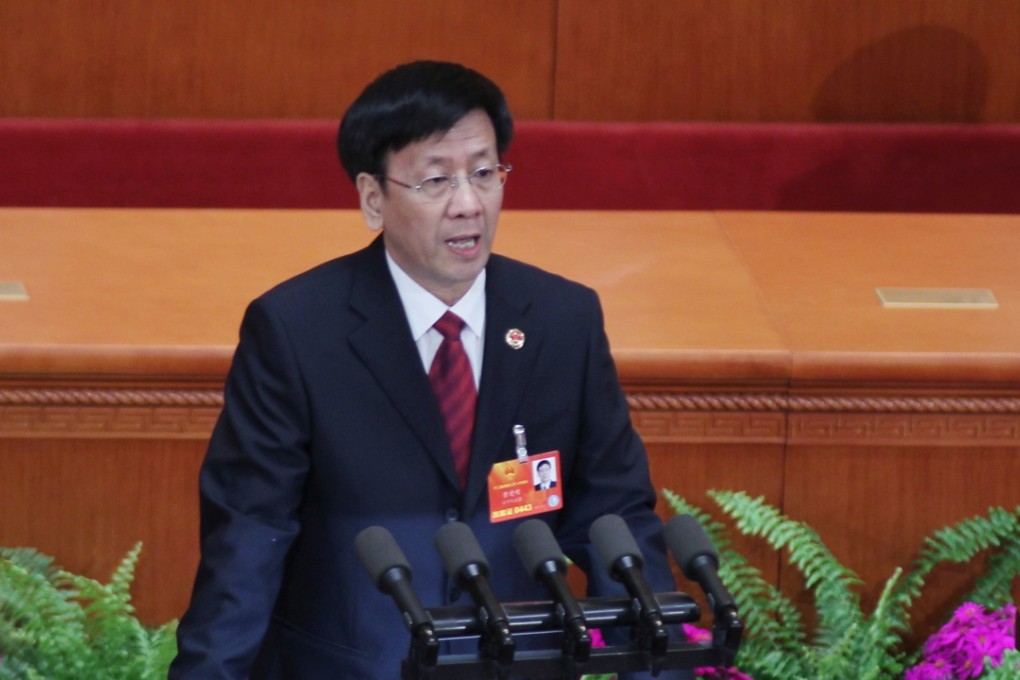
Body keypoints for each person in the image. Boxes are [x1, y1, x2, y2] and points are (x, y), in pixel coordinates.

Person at [170, 60, 687, 679]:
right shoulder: (297, 331)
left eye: (484, 173)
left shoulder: (561, 320)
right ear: (372, 197)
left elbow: (615, 515)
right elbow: (249, 541)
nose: (468, 204)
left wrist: (662, 668)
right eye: (436, 180)